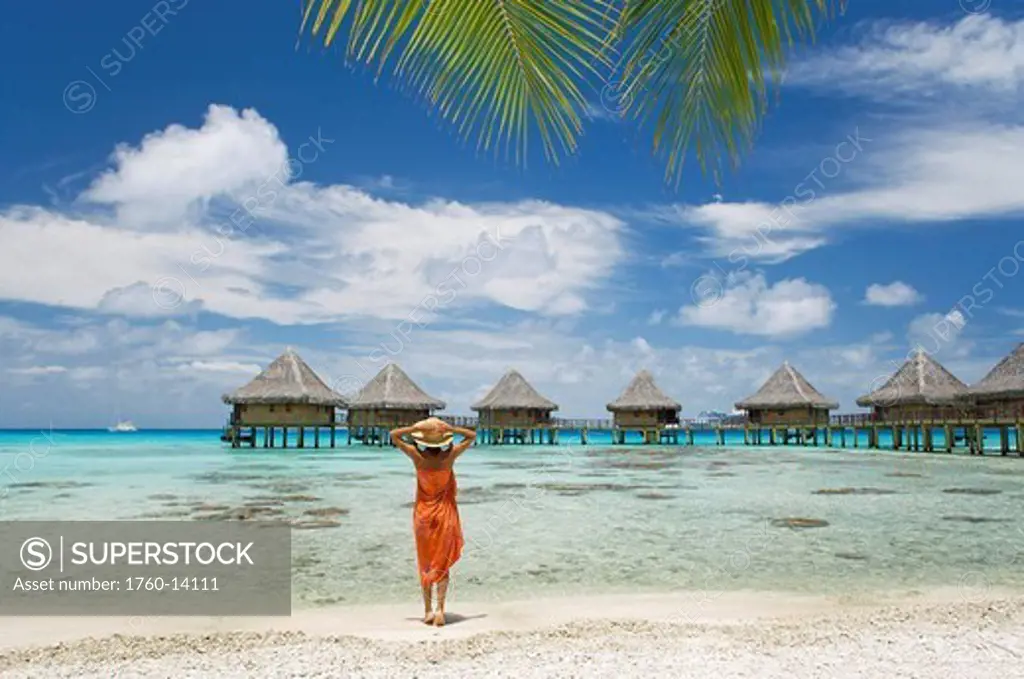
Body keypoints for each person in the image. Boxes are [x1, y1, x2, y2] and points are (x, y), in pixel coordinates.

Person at [390, 417, 476, 626]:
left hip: (423, 516)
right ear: (442, 439)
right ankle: (440, 610)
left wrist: (415, 427)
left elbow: (394, 435)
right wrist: (451, 428)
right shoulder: (450, 457)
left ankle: (427, 610)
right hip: (445, 515)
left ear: (424, 440)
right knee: (442, 565)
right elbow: (472, 436)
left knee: (426, 564)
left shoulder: (417, 457)